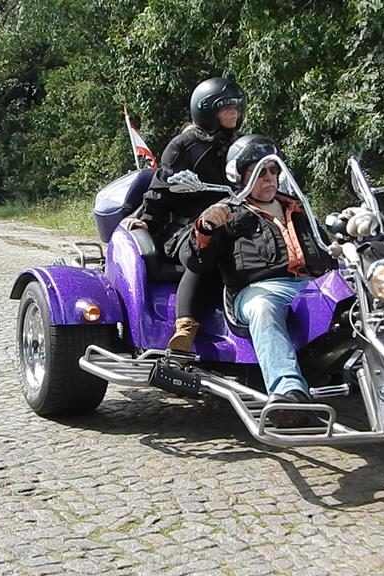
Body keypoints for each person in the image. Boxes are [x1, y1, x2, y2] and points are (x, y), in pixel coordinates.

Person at [182, 135, 339, 426]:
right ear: (239, 177)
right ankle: (288, 394)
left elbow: (327, 250)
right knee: (263, 307)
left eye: (273, 170)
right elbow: (195, 262)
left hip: (311, 285)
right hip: (258, 290)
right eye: (258, 171)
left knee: (366, 296)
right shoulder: (228, 212)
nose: (268, 178)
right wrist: (205, 229)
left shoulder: (298, 208)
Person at [122, 77, 246, 351]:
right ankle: (185, 328)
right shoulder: (184, 145)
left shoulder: (240, 145)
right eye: (226, 107)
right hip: (183, 230)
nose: (233, 113)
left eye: (236, 107)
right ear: (206, 110)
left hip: (233, 221)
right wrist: (147, 221)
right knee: (210, 243)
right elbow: (161, 188)